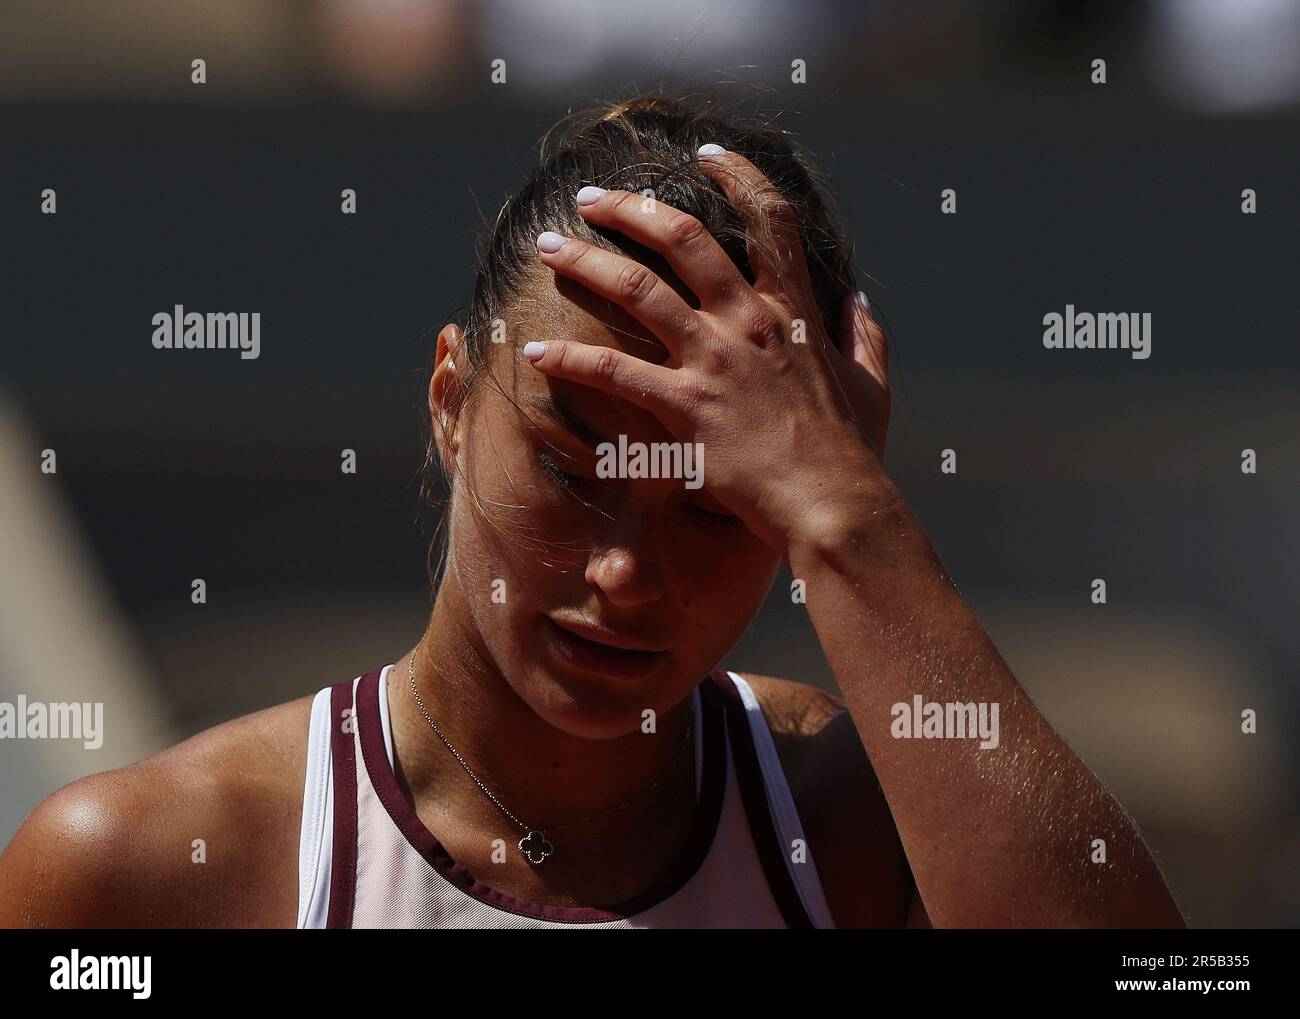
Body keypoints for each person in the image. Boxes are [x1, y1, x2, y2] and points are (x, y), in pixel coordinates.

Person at [0, 95, 1185, 928]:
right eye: (574, 470)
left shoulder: (853, 828)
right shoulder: (146, 870)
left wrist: (852, 522)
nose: (626, 574)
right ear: (451, 399)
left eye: (722, 509)